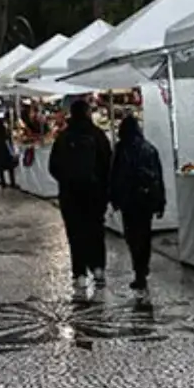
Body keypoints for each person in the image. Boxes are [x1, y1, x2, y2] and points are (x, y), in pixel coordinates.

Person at [49, 99, 112, 293]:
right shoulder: (98, 135)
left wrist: (66, 181)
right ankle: (98, 267)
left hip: (70, 195)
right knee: (96, 230)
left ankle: (80, 273)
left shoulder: (63, 138)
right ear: (87, 113)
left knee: (75, 233)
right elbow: (108, 163)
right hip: (94, 194)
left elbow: (53, 167)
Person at [109, 114, 166, 294]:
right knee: (145, 234)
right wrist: (160, 201)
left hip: (128, 200)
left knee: (132, 236)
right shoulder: (150, 149)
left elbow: (114, 175)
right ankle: (143, 266)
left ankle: (139, 269)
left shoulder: (120, 149)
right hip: (145, 199)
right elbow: (158, 177)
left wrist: (114, 198)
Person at [0, 116, 18, 189]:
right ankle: (12, 183)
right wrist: (12, 152)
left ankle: (3, 184)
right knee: (10, 169)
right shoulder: (5, 132)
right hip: (6, 153)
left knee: (1, 169)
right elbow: (8, 143)